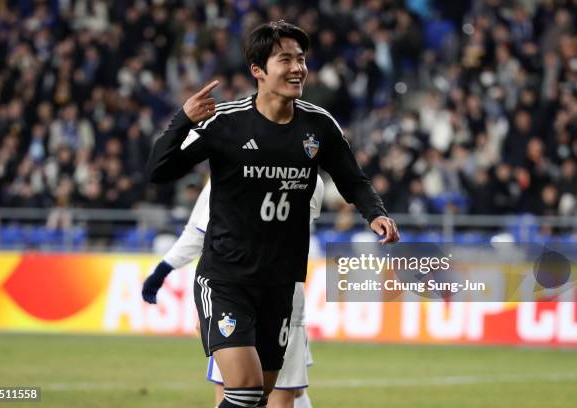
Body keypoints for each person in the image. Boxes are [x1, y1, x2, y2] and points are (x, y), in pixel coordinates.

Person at [146, 20, 399, 408]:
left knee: (259, 399)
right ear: (258, 70)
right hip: (226, 279)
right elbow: (159, 171)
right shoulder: (224, 122)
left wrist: (375, 214)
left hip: (281, 284)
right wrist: (184, 120)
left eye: (301, 59)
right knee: (244, 390)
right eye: (286, 59)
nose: (298, 67)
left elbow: (354, 180)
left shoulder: (319, 126)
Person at [143, 175, 324, 407]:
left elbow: (198, 233)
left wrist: (163, 271)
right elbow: (199, 232)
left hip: (265, 295)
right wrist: (165, 271)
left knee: (273, 393)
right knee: (265, 392)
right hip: (247, 292)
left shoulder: (235, 163)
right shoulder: (305, 173)